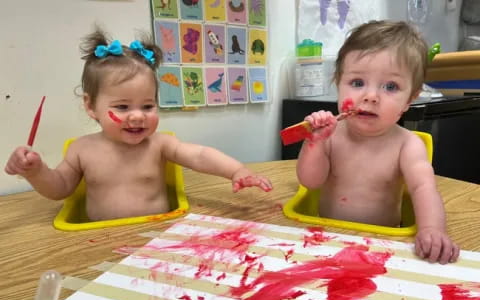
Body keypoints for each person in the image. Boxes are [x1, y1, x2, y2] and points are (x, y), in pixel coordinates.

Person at [5, 28, 272, 222]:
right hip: (100, 240)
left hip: (159, 235)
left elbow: (200, 155)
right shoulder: (81, 149)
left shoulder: (160, 144)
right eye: (122, 107)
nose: (137, 116)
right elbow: (59, 188)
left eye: (147, 106)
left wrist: (237, 170)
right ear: (90, 106)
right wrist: (36, 171)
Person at [296, 20, 459, 264]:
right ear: (338, 84)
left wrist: (431, 229)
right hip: (327, 239)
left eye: (391, 86)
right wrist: (315, 143)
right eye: (357, 83)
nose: (370, 96)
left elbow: (423, 188)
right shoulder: (331, 136)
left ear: (409, 100)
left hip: (384, 246)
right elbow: (310, 181)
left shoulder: (407, 145)